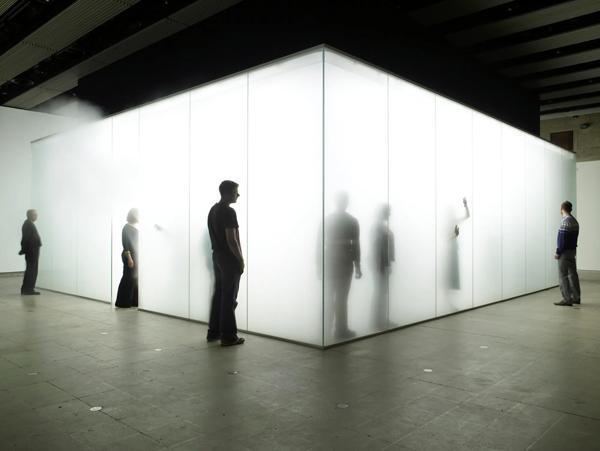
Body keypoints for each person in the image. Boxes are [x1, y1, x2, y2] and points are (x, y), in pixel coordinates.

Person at [207, 180, 245, 346]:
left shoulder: (213, 210)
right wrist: (240, 260)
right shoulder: (229, 212)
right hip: (229, 259)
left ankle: (213, 332)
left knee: (219, 295)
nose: (238, 194)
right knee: (229, 297)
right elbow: (232, 240)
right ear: (228, 193)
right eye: (236, 191)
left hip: (217, 256)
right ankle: (228, 336)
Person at [325, 192, 362, 339]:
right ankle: (340, 329)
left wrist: (319, 266)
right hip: (345, 263)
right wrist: (358, 265)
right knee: (341, 297)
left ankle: (327, 328)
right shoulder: (352, 221)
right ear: (346, 202)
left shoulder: (328, 220)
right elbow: (356, 244)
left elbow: (320, 244)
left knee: (331, 296)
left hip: (330, 262)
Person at [554, 201, 581, 306]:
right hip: (572, 251)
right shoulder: (575, 221)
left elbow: (562, 240)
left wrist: (558, 252)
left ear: (562, 209)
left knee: (563, 275)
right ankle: (576, 297)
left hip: (564, 253)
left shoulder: (565, 221)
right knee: (573, 274)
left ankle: (567, 299)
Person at [115, 209, 139, 308]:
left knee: (134, 279)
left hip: (136, 256)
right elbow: (126, 245)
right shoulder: (126, 228)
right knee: (127, 278)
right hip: (129, 256)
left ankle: (133, 301)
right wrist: (129, 258)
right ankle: (122, 302)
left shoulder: (135, 229)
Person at [19, 209, 42, 295]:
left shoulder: (28, 223)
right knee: (31, 270)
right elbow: (25, 238)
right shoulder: (28, 224)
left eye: (36, 214)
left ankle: (27, 289)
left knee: (31, 269)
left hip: (32, 250)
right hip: (32, 251)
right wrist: (23, 249)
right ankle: (28, 289)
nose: (36, 216)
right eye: (34, 214)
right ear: (29, 215)